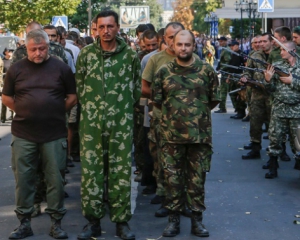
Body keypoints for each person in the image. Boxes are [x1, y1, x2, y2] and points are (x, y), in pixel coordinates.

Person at [2, 29, 77, 239]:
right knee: (24, 179)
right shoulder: (16, 69)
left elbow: (72, 96)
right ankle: (24, 223)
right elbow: (6, 97)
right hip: (23, 134)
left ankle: (56, 223)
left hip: (54, 134)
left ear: (48, 46)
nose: (38, 53)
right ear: (26, 48)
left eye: (42, 48)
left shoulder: (61, 68)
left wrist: (55, 110)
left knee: (55, 179)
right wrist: (24, 110)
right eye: (33, 49)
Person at [75, 10, 141, 240]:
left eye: (110, 26)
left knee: (120, 173)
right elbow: (80, 87)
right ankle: (92, 222)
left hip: (120, 126)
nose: (106, 31)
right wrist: (94, 112)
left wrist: (119, 112)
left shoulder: (130, 56)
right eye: (101, 27)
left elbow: (136, 88)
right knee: (91, 174)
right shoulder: (86, 55)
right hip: (91, 126)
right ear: (95, 29)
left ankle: (121, 222)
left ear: (118, 28)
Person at [152, 30, 220, 238]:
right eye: (179, 44)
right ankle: (173, 220)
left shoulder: (206, 71)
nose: (183, 48)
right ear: (173, 45)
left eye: (187, 45)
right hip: (171, 137)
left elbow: (213, 100)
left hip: (199, 137)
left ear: (193, 46)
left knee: (197, 180)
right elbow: (157, 100)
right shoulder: (163, 72)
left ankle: (197, 221)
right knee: (172, 180)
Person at [142, 22, 185, 217]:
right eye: (170, 37)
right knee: (162, 160)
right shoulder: (155, 60)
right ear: (165, 39)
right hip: (161, 119)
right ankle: (165, 197)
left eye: (178, 35)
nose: (175, 40)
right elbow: (144, 88)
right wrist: (166, 99)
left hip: (187, 122)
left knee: (185, 163)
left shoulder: (193, 60)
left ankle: (184, 200)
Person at [263, 41, 300, 178]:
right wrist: (267, 80)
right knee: (275, 139)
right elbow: (270, 90)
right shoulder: (277, 66)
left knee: (298, 141)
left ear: (292, 51)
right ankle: (273, 167)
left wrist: (293, 81)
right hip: (279, 108)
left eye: (283, 50)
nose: (280, 52)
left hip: (297, 110)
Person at [241, 33, 273, 160]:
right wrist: (245, 78)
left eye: (264, 41)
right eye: (260, 42)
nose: (261, 44)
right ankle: (255, 148)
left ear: (271, 42)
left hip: (273, 95)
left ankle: (276, 151)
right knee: (255, 122)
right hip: (257, 94)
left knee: (274, 125)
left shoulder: (277, 55)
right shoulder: (255, 56)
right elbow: (247, 71)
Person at [226, 40, 247, 119]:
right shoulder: (233, 54)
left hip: (239, 76)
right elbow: (231, 68)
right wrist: (228, 77)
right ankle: (237, 110)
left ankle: (241, 111)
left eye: (233, 46)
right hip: (233, 77)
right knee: (233, 94)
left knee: (240, 95)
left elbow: (246, 65)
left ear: (237, 46)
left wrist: (244, 75)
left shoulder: (241, 54)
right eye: (231, 46)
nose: (231, 47)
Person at [215, 36, 231, 113]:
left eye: (221, 41)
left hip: (226, 73)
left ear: (225, 41)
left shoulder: (226, 50)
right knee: (222, 90)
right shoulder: (224, 49)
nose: (220, 43)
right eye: (219, 41)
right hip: (225, 72)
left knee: (223, 90)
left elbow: (228, 62)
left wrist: (221, 69)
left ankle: (222, 107)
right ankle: (222, 107)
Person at [1, 48, 14, 123]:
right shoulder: (2, 61)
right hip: (4, 82)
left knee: (12, 99)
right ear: (6, 52)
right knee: (4, 100)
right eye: (10, 51)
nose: (11, 53)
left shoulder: (13, 61)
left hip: (12, 82)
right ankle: (3, 117)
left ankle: (13, 116)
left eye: (12, 52)